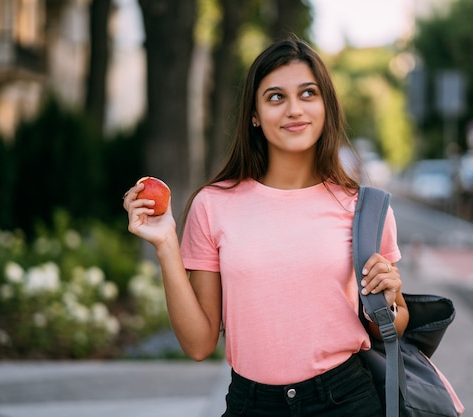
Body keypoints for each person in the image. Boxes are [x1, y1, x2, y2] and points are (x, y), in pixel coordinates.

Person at [123, 36, 409, 417]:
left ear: (325, 106)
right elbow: (198, 344)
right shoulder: (214, 205)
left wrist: (387, 300)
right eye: (276, 97)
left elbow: (395, 323)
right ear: (255, 114)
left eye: (308, 94)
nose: (294, 109)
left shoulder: (364, 207)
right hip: (251, 405)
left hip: (347, 400)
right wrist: (165, 245)